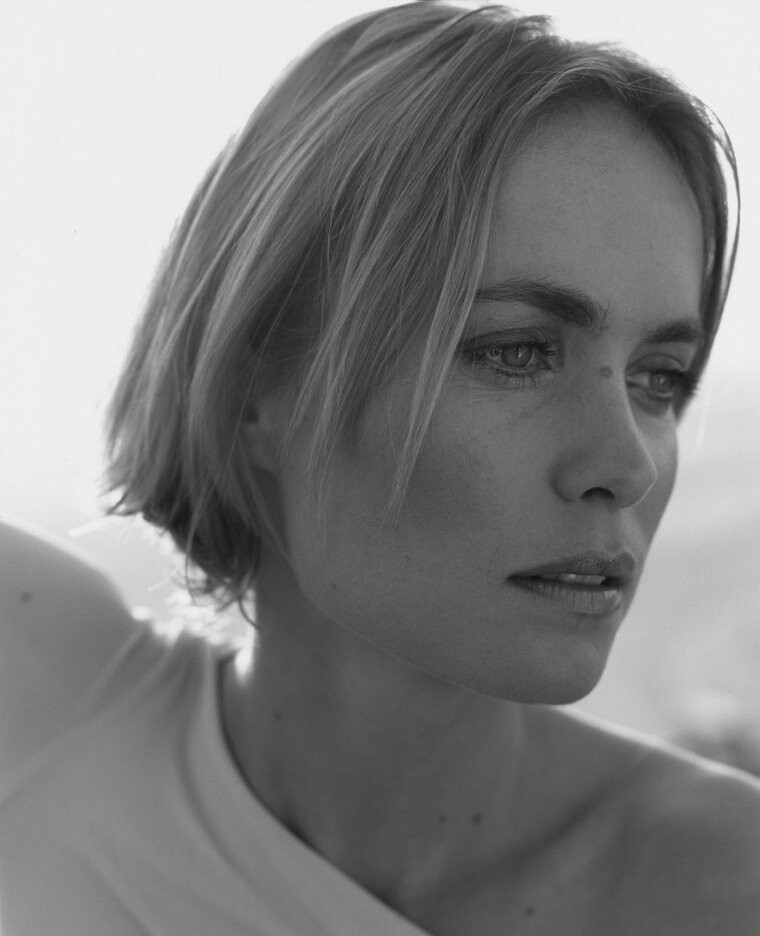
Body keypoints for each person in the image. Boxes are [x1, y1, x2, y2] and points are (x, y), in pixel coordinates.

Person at [2, 2, 759, 933]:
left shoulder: (722, 891)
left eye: (659, 377)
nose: (628, 463)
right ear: (253, 384)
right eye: (517, 351)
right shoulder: (44, 696)